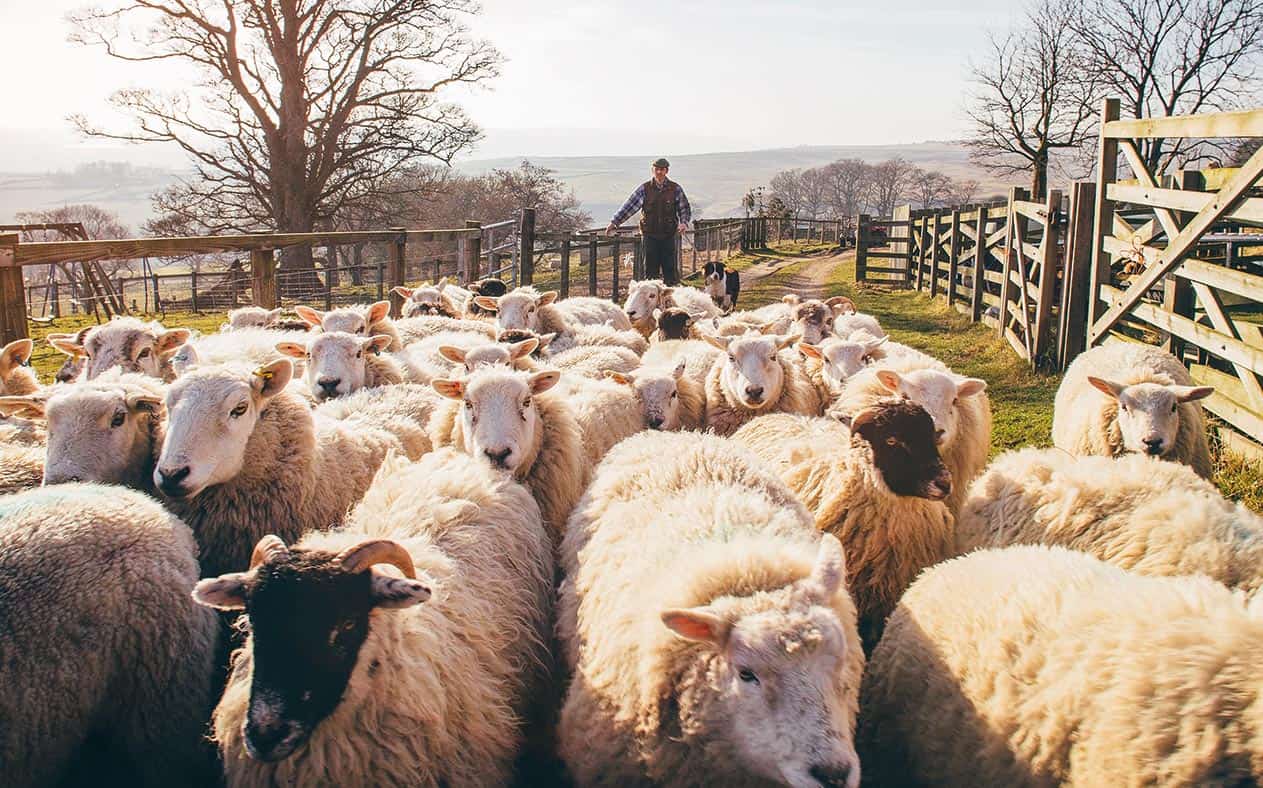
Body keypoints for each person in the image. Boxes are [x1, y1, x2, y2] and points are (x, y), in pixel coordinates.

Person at [606, 157, 692, 285]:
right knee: (650, 271)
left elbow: (684, 208)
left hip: (668, 235)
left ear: (666, 171)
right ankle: (651, 301)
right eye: (656, 169)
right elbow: (629, 206)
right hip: (649, 235)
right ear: (653, 170)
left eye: (661, 170)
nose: (659, 172)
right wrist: (614, 222)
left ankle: (670, 298)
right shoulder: (644, 189)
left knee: (670, 270)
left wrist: (684, 223)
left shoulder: (675, 189)